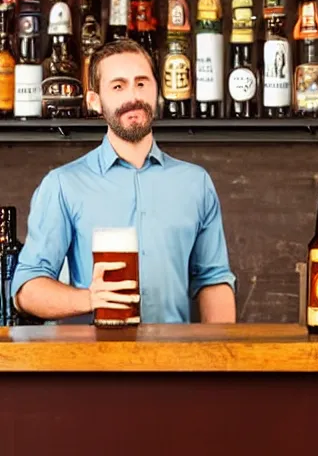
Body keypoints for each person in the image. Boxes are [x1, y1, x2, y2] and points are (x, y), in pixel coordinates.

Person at [10, 39, 237, 324]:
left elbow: (213, 281)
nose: (133, 96)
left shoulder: (196, 183)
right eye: (118, 86)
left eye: (142, 83)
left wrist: (221, 361)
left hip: (176, 362)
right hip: (95, 363)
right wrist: (90, 299)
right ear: (95, 102)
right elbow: (26, 290)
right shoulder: (63, 185)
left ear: (157, 90)